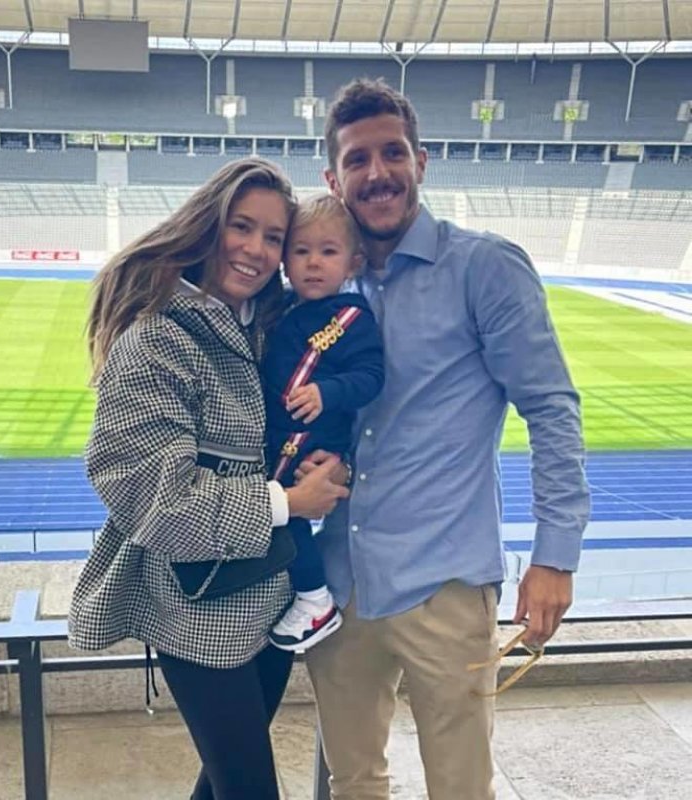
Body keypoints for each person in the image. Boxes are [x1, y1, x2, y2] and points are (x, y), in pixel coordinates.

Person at [299, 79, 591, 800]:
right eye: (357, 160)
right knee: (353, 781)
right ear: (334, 179)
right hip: (342, 582)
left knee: (461, 787)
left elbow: (550, 407)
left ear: (421, 162)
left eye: (392, 153)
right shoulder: (324, 286)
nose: (378, 173)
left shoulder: (483, 268)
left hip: (445, 585)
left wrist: (554, 555)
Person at [67, 157, 349, 800]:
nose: (256, 249)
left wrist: (329, 465)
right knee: (248, 788)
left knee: (224, 784)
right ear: (206, 226)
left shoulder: (269, 329)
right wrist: (288, 500)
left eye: (273, 236)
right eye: (241, 227)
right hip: (198, 611)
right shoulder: (154, 342)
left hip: (272, 597)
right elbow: (157, 502)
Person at [262, 195, 384, 653]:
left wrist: (326, 392)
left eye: (328, 252)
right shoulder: (284, 307)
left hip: (310, 437)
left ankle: (314, 601)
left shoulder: (352, 318)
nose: (313, 263)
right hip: (281, 433)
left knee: (283, 509)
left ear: (353, 263)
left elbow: (372, 376)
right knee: (277, 512)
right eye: (301, 251)